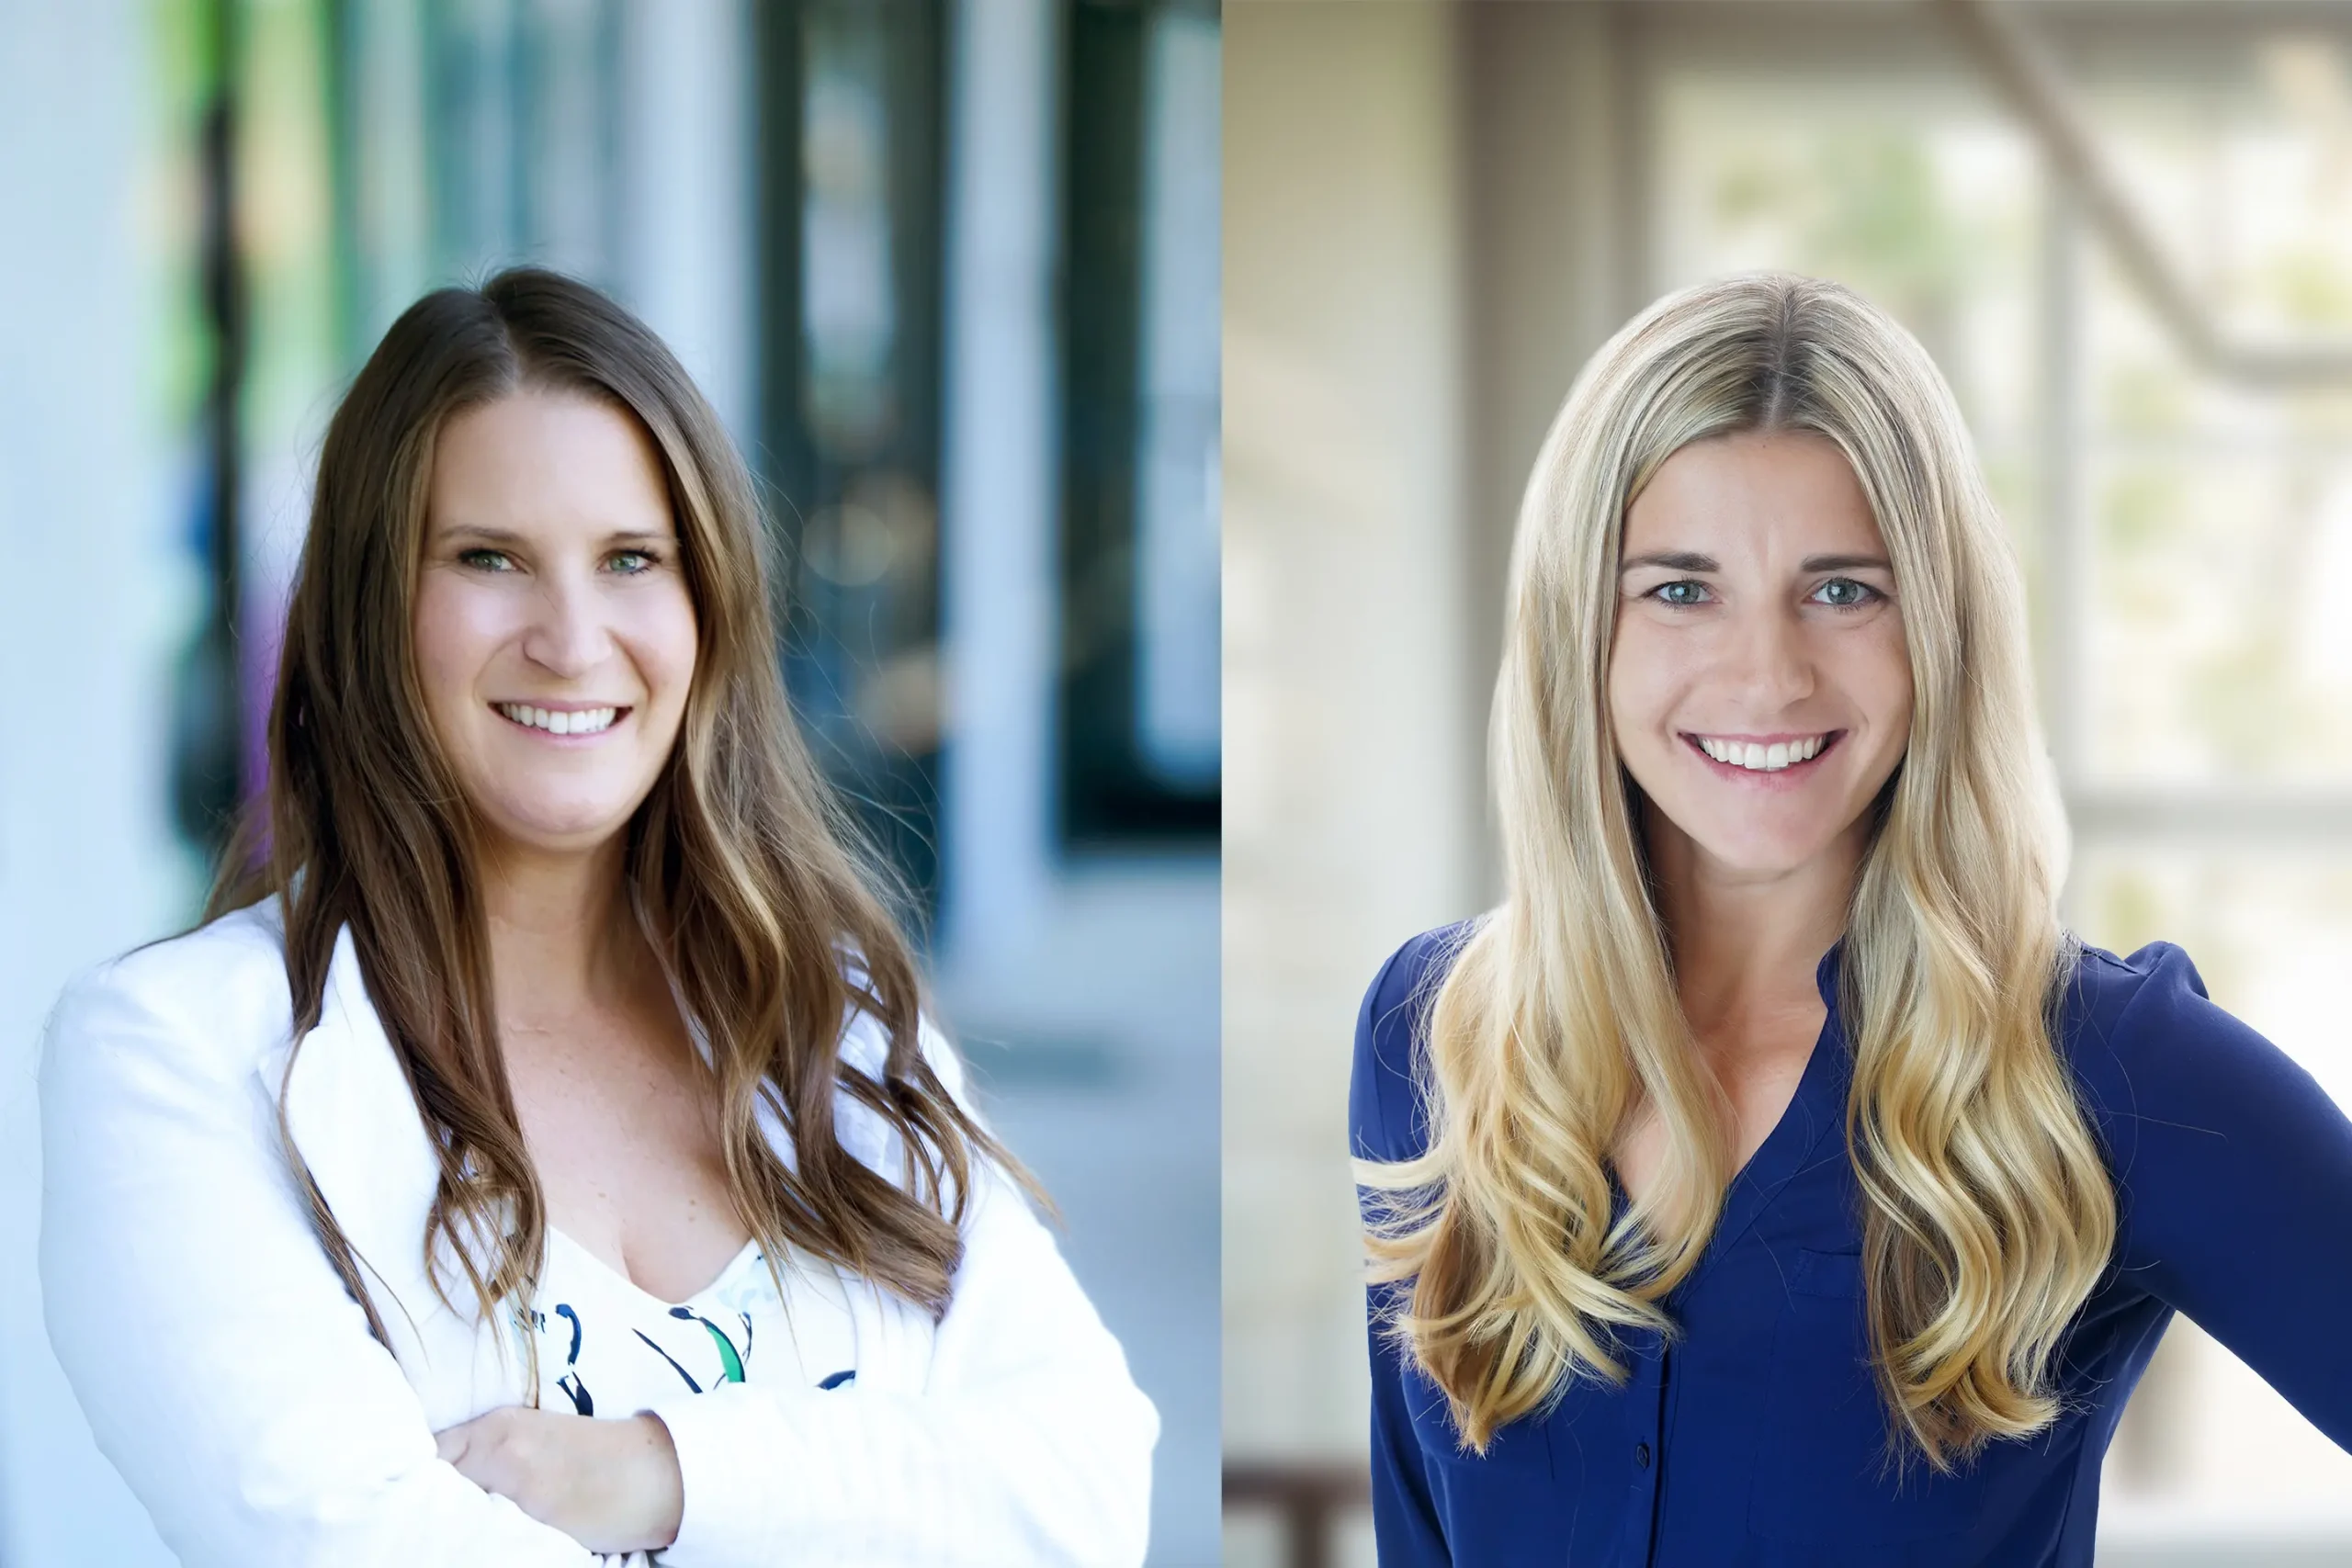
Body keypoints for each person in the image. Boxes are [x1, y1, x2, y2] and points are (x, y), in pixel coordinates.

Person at [41, 267, 1156, 1567]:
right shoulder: (173, 1059)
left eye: (632, 559)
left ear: (707, 608)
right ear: (369, 606)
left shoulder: (818, 1010)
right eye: (488, 559)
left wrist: (660, 1471)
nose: (573, 638)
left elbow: (1085, 1490)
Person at [1351, 273, 2352, 1566]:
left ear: (1936, 625)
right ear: (1575, 629)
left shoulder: (2110, 1071)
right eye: (1679, 588)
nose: (1767, 675)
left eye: (1842, 590)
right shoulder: (1427, 1035)